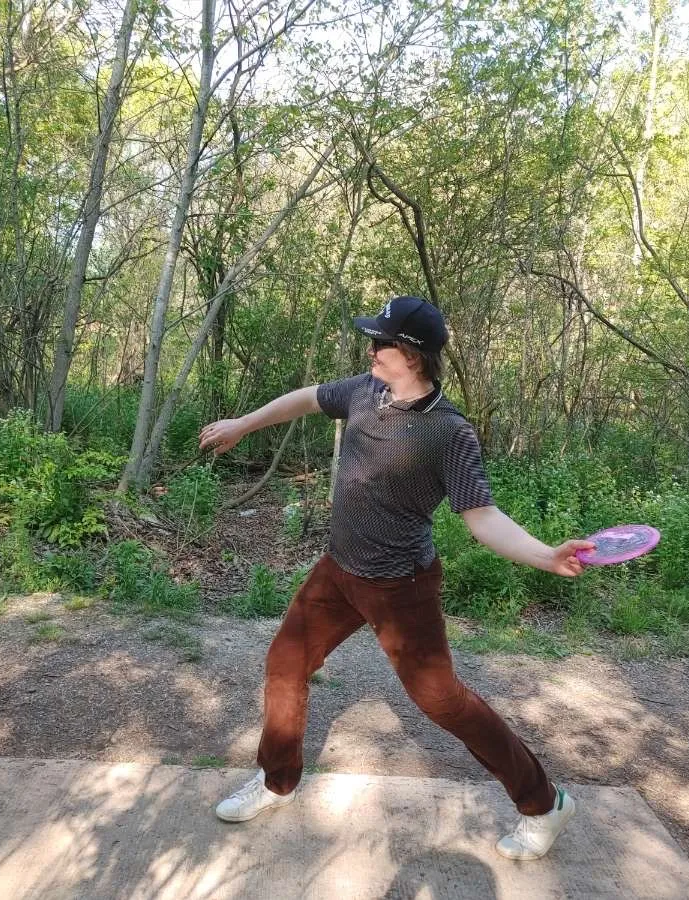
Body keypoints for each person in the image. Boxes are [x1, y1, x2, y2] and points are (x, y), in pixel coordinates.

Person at [197, 295, 594, 860]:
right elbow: (306, 399)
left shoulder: (449, 433)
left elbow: (482, 516)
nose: (371, 349)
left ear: (413, 355)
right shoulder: (364, 391)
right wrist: (243, 424)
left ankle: (544, 803)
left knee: (444, 702)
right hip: (338, 571)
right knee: (285, 664)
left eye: (381, 342)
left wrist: (545, 556)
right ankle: (275, 782)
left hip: (400, 586)